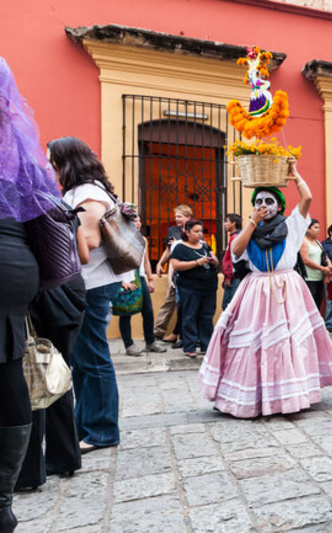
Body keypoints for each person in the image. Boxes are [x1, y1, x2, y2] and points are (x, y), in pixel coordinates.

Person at [199, 161, 332, 418]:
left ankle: (290, 394)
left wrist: (295, 175)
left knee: (288, 341)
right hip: (255, 290)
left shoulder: (291, 225)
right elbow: (235, 251)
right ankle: (253, 395)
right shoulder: (247, 231)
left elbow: (308, 198)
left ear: (279, 206)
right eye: (259, 202)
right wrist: (252, 224)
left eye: (269, 202)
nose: (263, 206)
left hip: (287, 287)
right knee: (254, 343)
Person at [0, 57, 70, 531]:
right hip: (14, 261)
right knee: (7, 364)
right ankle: (1, 502)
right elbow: (45, 201)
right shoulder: (15, 141)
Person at [50, 136, 134, 455]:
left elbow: (89, 241)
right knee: (84, 358)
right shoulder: (82, 191)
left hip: (94, 283)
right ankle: (87, 426)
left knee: (92, 357)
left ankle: (101, 431)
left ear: (67, 160)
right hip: (89, 282)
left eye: (52, 160)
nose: (49, 166)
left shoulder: (87, 193)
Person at [118, 213, 166, 355]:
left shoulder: (142, 239)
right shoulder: (120, 239)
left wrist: (150, 279)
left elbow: (145, 262)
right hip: (127, 277)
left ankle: (150, 343)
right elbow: (114, 261)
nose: (138, 223)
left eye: (139, 221)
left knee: (148, 312)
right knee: (126, 311)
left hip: (140, 277)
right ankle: (129, 345)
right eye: (134, 221)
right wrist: (122, 281)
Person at [170, 219, 218, 358]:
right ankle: (189, 346)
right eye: (196, 231)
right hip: (190, 288)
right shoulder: (180, 247)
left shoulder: (204, 246)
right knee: (190, 316)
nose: (200, 234)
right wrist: (197, 263)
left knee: (206, 316)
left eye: (201, 231)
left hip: (208, 287)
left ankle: (206, 345)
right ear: (187, 232)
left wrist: (214, 262)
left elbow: (215, 260)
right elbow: (176, 265)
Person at [154, 204, 193, 347]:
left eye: (179, 216)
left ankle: (181, 335)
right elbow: (168, 251)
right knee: (169, 301)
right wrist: (160, 264)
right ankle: (157, 332)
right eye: (176, 216)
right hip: (174, 272)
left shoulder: (194, 229)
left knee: (183, 305)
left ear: (188, 217)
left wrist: (180, 244)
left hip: (188, 273)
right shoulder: (172, 230)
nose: (176, 219)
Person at [300, 219, 331, 310]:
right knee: (309, 305)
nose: (318, 230)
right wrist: (322, 269)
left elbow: (325, 256)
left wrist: (329, 265)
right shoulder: (304, 242)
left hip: (319, 278)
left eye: (319, 228)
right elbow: (306, 260)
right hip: (309, 279)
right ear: (308, 229)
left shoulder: (318, 242)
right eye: (315, 227)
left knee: (318, 304)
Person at [221, 213, 242, 310]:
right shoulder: (236, 237)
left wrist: (229, 276)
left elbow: (233, 259)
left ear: (233, 223)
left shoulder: (235, 238)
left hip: (233, 277)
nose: (225, 224)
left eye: (227, 221)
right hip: (233, 276)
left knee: (228, 306)